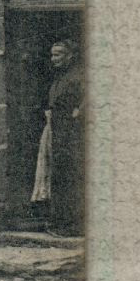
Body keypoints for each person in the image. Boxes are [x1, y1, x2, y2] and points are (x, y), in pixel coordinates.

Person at [31, 38, 85, 236]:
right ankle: (60, 223)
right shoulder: (61, 77)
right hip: (57, 131)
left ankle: (71, 225)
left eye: (58, 55)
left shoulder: (79, 76)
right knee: (58, 175)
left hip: (72, 134)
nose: (54, 59)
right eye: (52, 55)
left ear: (71, 56)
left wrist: (79, 112)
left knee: (70, 176)